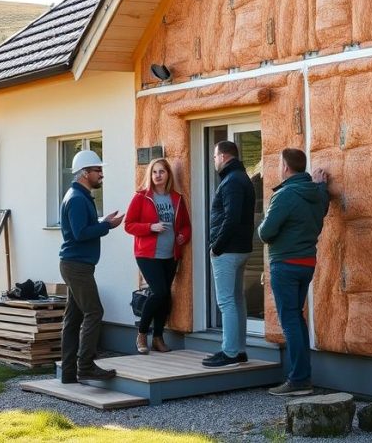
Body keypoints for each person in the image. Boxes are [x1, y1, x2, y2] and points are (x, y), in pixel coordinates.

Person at [259, 148, 329, 396]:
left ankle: (299, 379)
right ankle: (301, 377)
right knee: (295, 317)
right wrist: (321, 186)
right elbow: (322, 208)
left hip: (285, 264)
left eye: (279, 164)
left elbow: (265, 233)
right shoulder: (315, 192)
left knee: (290, 319)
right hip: (307, 263)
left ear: (285, 167)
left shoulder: (285, 195)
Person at [58, 149, 124, 384]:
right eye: (98, 170)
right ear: (85, 173)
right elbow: (80, 233)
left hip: (75, 265)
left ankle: (68, 373)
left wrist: (102, 222)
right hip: (77, 267)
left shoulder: (79, 196)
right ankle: (85, 367)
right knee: (94, 312)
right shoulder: (76, 199)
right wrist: (108, 226)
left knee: (73, 319)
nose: (101, 174)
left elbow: (83, 227)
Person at [124, 158, 192, 355]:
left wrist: (183, 236)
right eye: (154, 172)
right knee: (160, 293)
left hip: (170, 254)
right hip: (147, 254)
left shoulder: (177, 198)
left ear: (168, 174)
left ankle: (158, 338)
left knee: (164, 297)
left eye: (162, 172)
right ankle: (142, 333)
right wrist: (150, 227)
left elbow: (186, 225)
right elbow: (128, 225)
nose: (158, 175)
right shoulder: (141, 197)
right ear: (150, 175)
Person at [202, 140, 255, 367]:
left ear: (223, 156)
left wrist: (217, 246)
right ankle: (238, 350)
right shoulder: (242, 178)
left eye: (214, 157)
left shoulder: (232, 181)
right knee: (236, 299)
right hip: (240, 249)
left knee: (226, 302)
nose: (214, 161)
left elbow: (231, 218)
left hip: (228, 251)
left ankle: (230, 352)